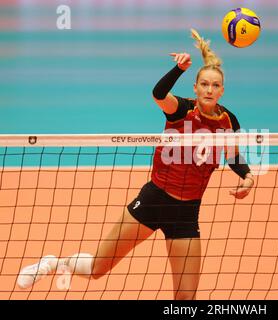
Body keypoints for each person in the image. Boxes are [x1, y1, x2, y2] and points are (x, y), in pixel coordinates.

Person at [16, 29, 255, 300]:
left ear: (222, 90)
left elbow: (232, 155)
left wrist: (247, 176)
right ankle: (54, 264)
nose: (209, 90)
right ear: (195, 87)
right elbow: (158, 93)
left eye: (215, 85)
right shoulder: (181, 109)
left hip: (186, 213)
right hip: (154, 200)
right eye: (204, 84)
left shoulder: (228, 121)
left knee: (186, 298)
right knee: (97, 268)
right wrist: (179, 68)